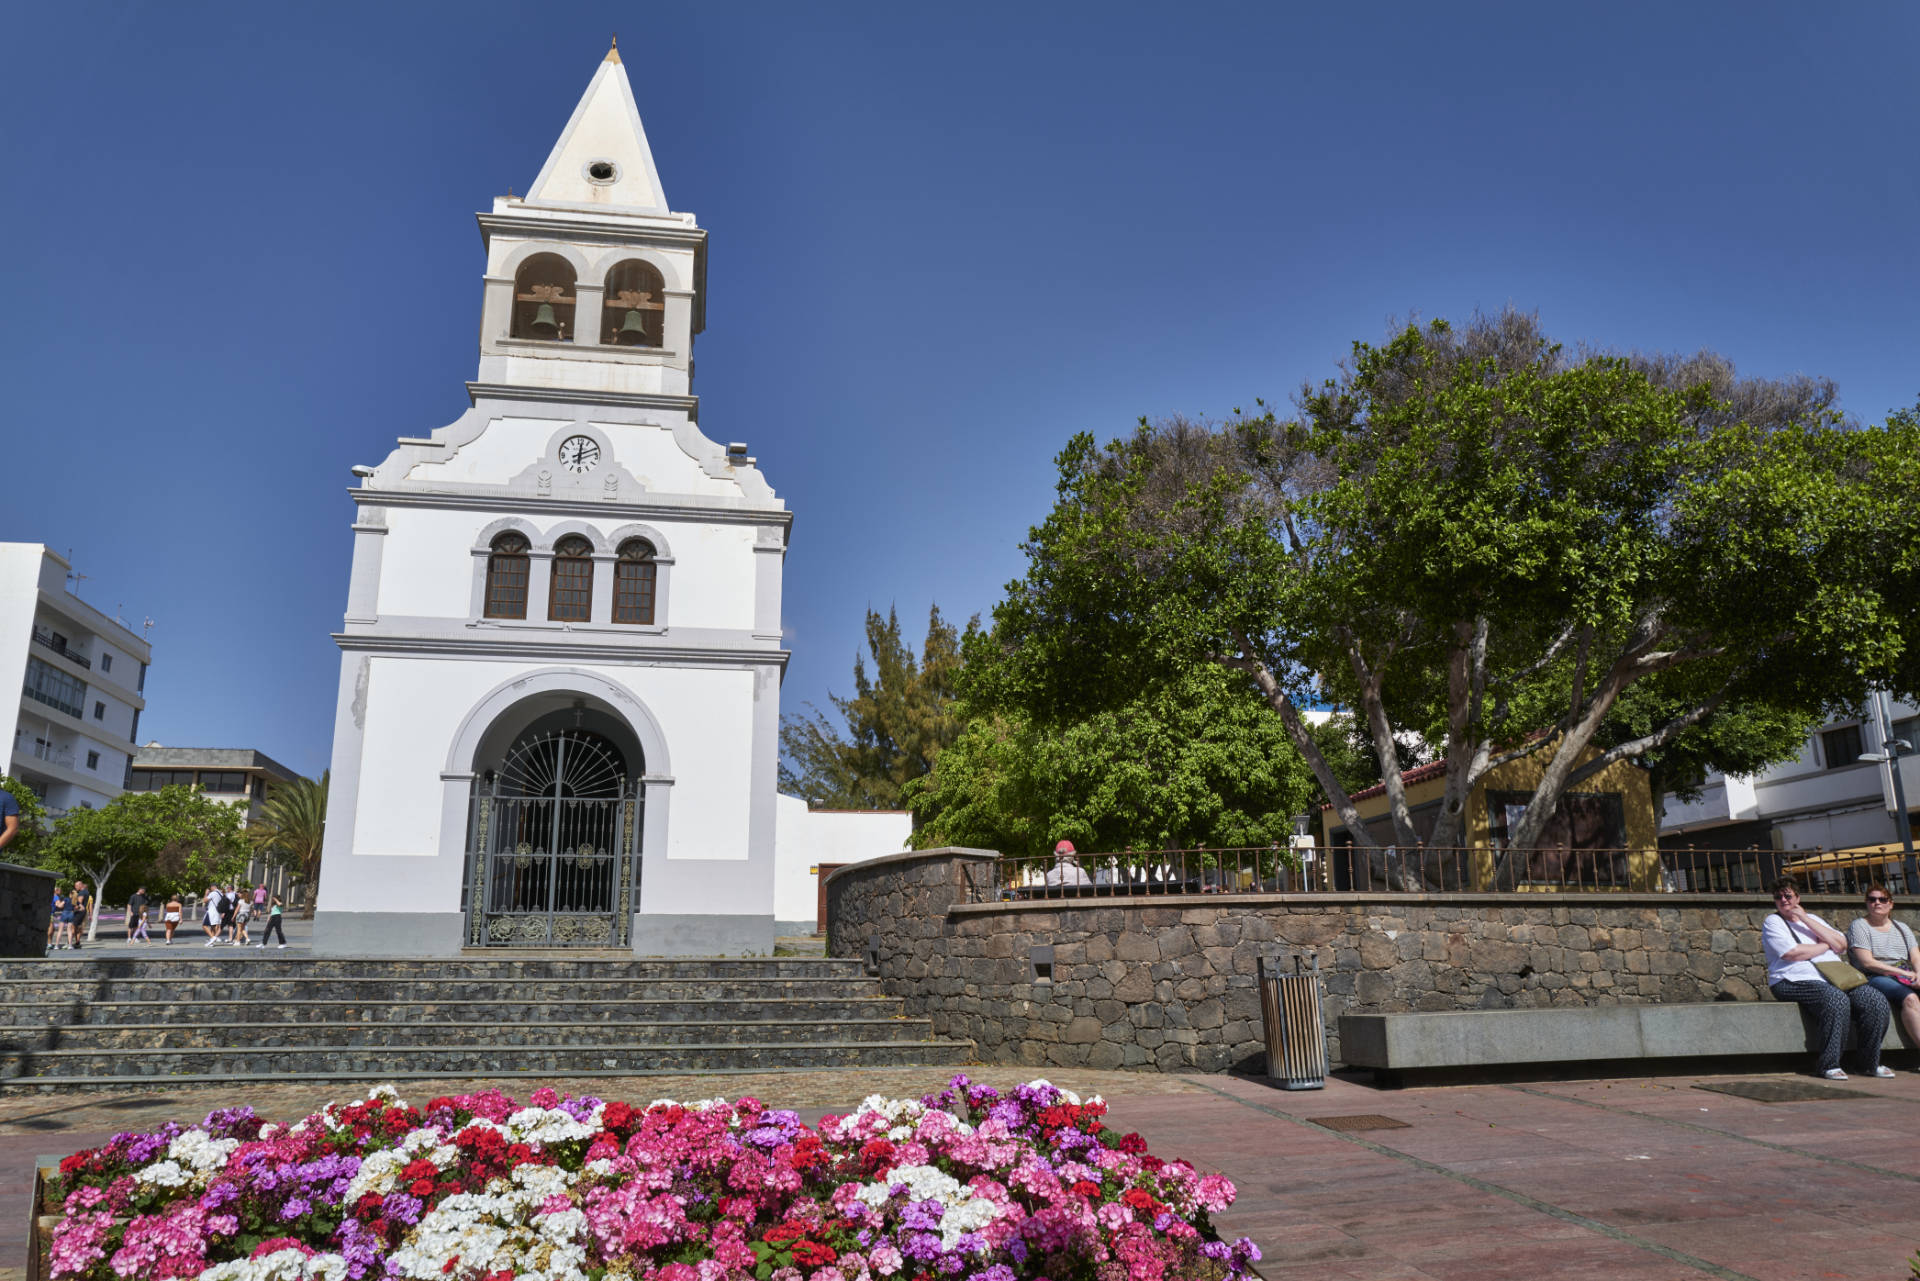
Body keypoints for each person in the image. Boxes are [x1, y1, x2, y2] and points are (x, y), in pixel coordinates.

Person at [1763, 877, 1891, 1081]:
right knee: (1836, 1000)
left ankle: (1867, 1063)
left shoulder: (1813, 919)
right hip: (1791, 979)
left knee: (1875, 1001)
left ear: (1798, 897)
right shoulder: (1773, 922)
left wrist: (1805, 919)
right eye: (1778, 897)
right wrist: (1825, 945)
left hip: (1834, 977)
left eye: (1788, 896)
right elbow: (1791, 953)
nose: (1783, 900)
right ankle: (1828, 1065)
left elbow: (1841, 944)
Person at [1848, 884, 1920, 1063]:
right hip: (1875, 976)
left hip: (1904, 973)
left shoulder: (1902, 927)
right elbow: (1867, 962)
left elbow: (1916, 955)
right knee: (1910, 999)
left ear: (1891, 904)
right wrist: (1904, 974)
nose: (1877, 903)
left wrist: (1918, 973)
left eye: (1882, 899)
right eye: (1872, 899)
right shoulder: (1859, 926)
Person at [69, 879, 92, 949]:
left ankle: (69, 943)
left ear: (80, 885)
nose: (75, 887)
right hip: (82, 912)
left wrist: (74, 909)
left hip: (79, 912)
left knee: (72, 926)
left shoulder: (81, 893)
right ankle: (77, 942)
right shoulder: (86, 892)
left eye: (76, 886)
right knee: (78, 927)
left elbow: (79, 903)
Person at [51, 884, 72, 950]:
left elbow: (59, 906)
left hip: (65, 913)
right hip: (71, 914)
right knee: (69, 930)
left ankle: (56, 945)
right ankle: (70, 945)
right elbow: (81, 908)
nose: (61, 891)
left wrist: (62, 905)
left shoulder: (65, 899)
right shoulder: (75, 900)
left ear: (70, 894)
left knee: (60, 930)